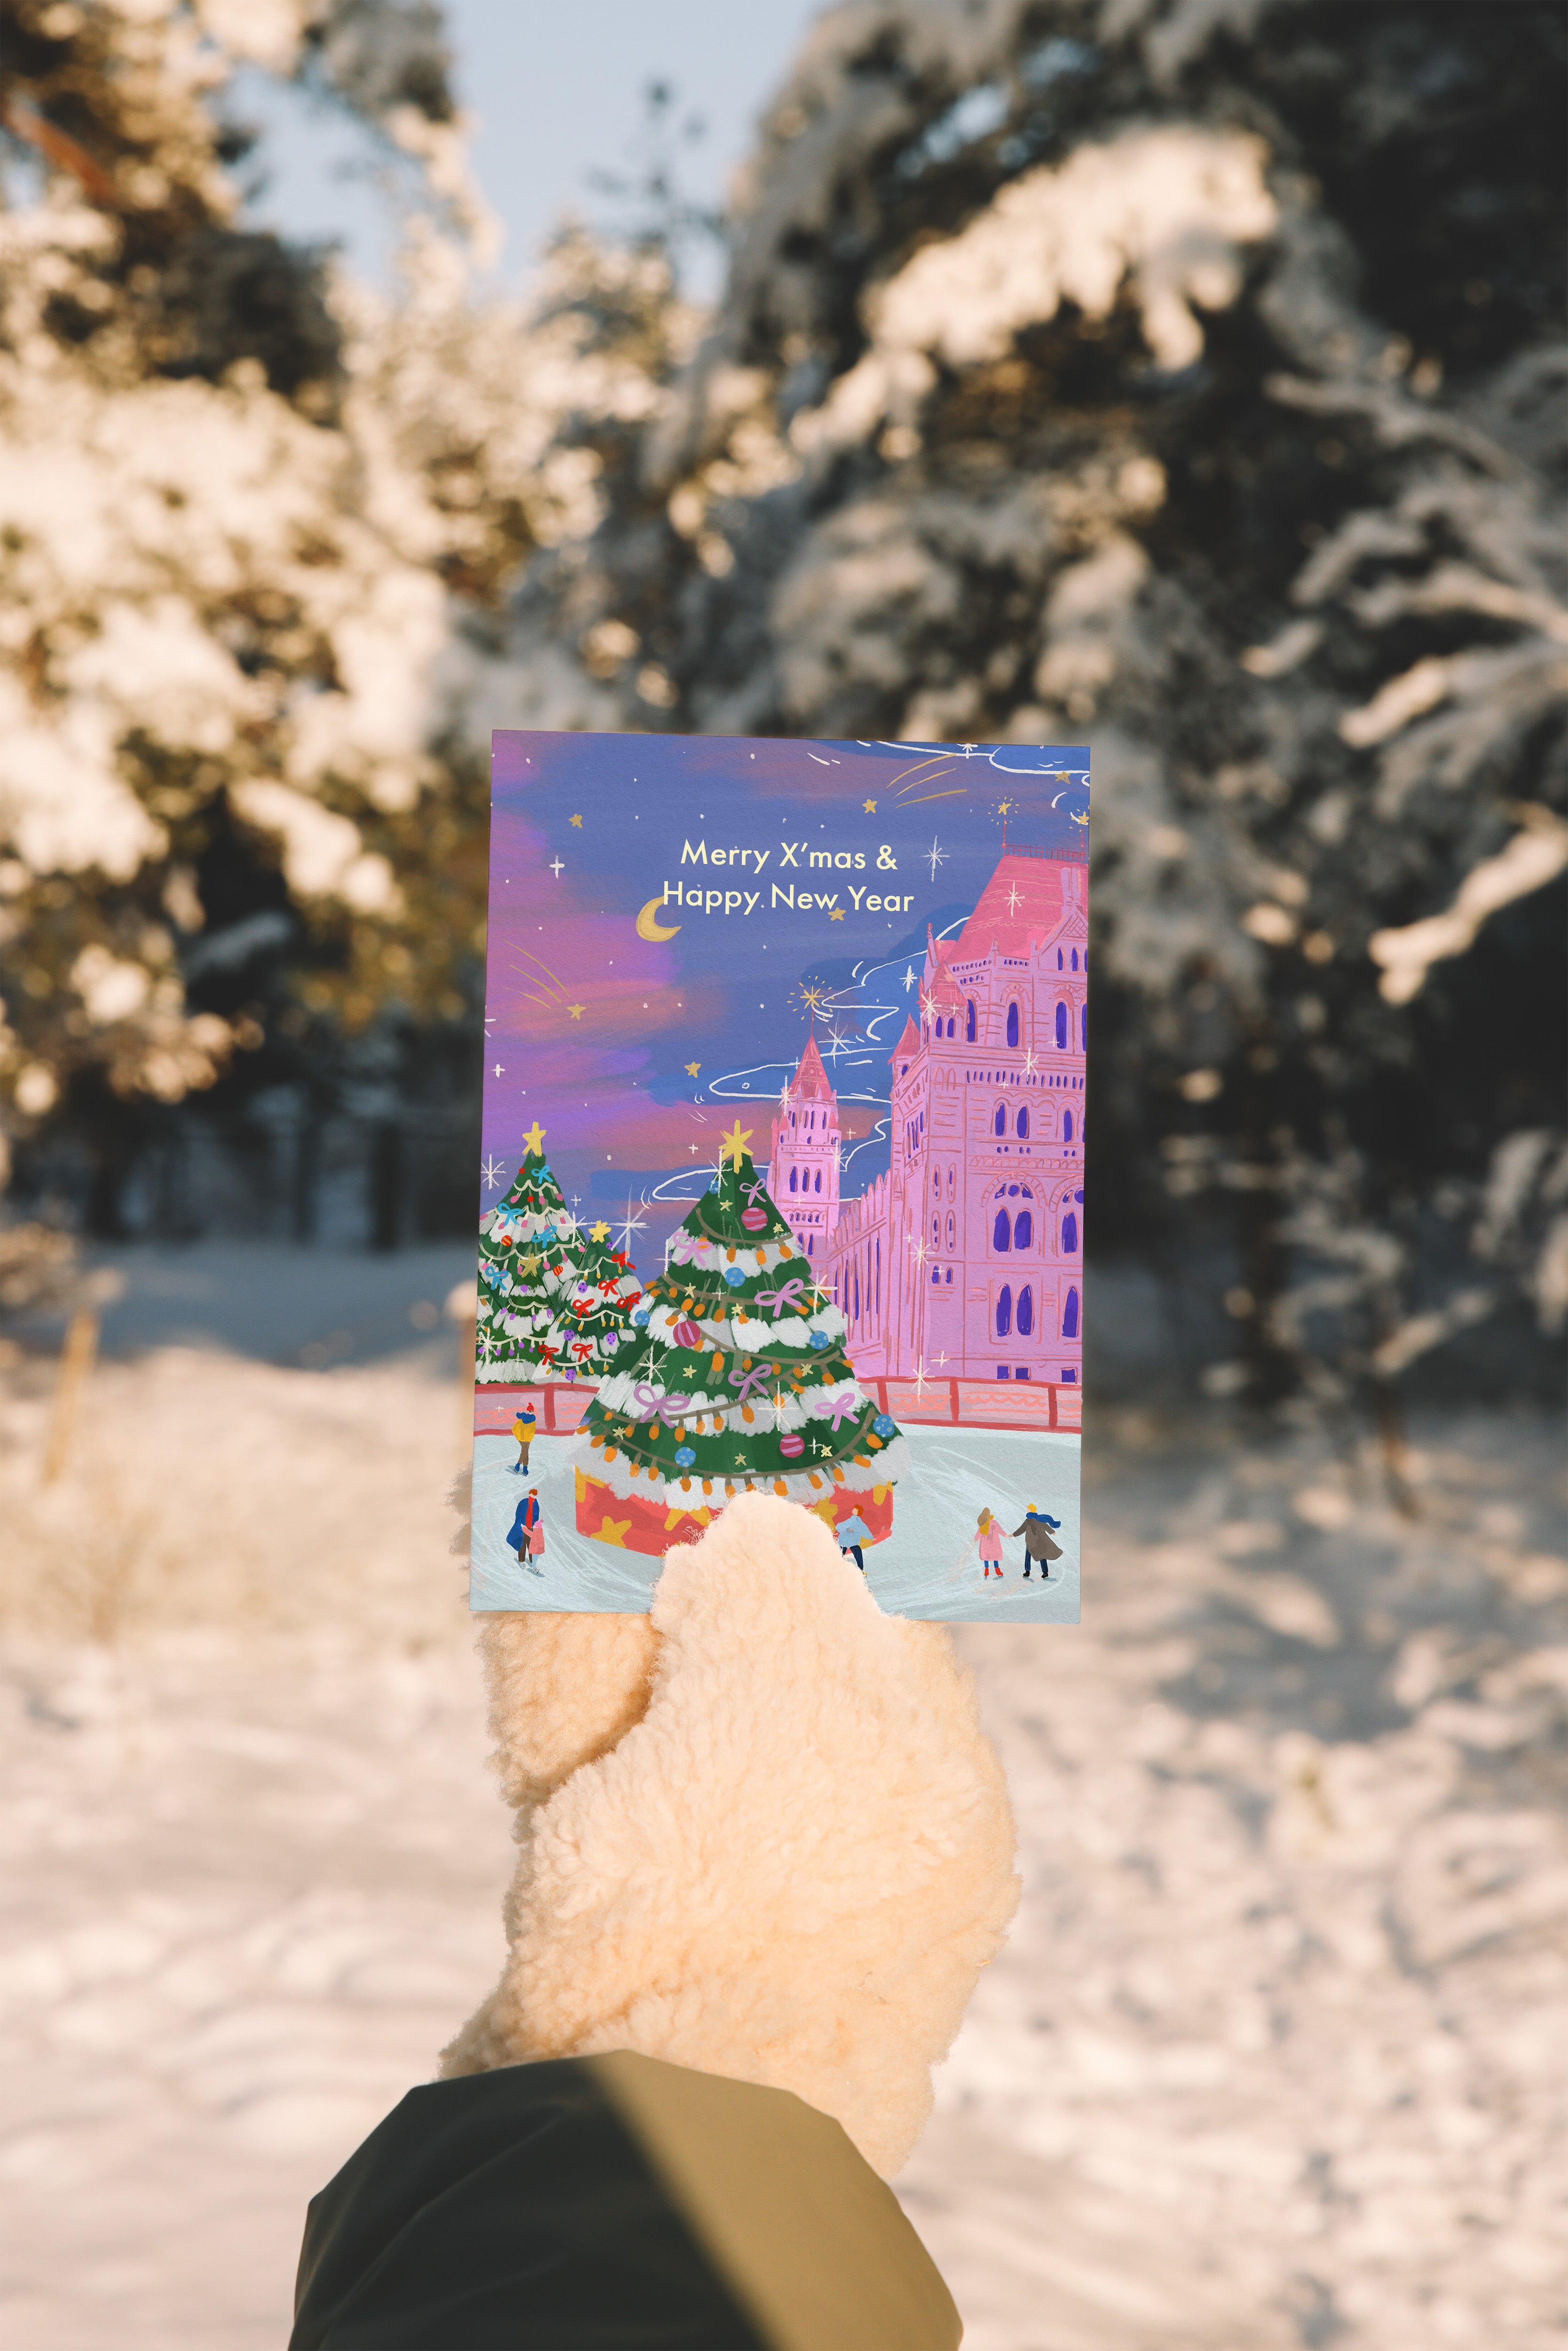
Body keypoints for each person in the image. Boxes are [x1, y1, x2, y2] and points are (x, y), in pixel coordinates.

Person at [1010, 1505, 1063, 1580]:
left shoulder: (1029, 1521)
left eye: (1028, 1509)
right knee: (1042, 1556)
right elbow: (1046, 1526)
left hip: (1032, 1542)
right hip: (1037, 1542)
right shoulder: (1038, 1519)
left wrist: (1013, 1535)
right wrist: (1052, 1532)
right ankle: (1045, 1573)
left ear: (1031, 1510)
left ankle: (1028, 1572)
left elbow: (1022, 1529)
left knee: (1029, 1557)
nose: (1027, 1510)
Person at [508, 1488, 543, 1573]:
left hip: (531, 1528)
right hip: (522, 1526)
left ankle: (533, 1562)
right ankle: (522, 1561)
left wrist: (535, 1525)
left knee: (532, 1545)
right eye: (532, 1494)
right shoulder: (524, 1502)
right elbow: (518, 1513)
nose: (533, 1496)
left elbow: (537, 1515)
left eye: (535, 1495)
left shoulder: (536, 1504)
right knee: (522, 1544)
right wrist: (519, 1523)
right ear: (530, 1494)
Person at [833, 1508, 873, 1573]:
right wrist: (848, 1529)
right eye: (854, 1509)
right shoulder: (853, 1520)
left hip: (848, 1541)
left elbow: (863, 1529)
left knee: (852, 1553)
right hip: (847, 1541)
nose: (854, 1510)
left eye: (856, 1510)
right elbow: (840, 1526)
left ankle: (861, 1570)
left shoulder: (856, 1521)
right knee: (842, 1554)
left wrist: (871, 1537)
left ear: (858, 1512)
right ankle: (835, 1569)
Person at [976, 1507, 1006, 1577]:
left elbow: (978, 1533)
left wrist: (976, 1539)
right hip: (993, 1543)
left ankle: (986, 1571)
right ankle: (998, 1571)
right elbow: (1000, 1530)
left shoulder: (982, 1523)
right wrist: (1005, 1535)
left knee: (986, 1557)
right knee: (995, 1557)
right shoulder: (994, 1522)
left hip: (985, 1544)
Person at [511, 1404, 537, 1475]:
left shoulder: (522, 1419)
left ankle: (523, 1467)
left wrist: (518, 1435)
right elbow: (533, 1430)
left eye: (532, 1411)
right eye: (531, 1411)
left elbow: (515, 1428)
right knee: (525, 1452)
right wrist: (530, 1436)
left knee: (525, 1452)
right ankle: (520, 1465)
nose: (532, 1412)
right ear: (529, 1411)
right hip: (527, 1439)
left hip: (523, 1438)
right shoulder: (533, 1419)